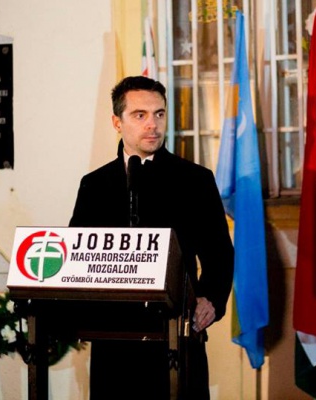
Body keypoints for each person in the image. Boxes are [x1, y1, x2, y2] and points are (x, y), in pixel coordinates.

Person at [69, 76, 234, 399]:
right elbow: (79, 257)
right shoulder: (95, 185)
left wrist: (210, 300)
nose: (152, 125)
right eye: (140, 115)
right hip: (114, 342)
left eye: (159, 114)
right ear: (117, 122)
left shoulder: (195, 180)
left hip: (176, 333)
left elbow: (219, 254)